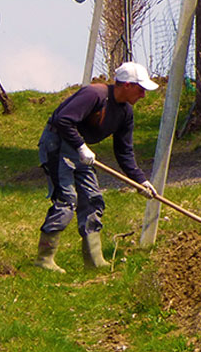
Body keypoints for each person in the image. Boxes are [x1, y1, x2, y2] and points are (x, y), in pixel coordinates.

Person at [35, 61, 158, 273]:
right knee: (67, 200)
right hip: (56, 143)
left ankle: (94, 261)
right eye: (140, 89)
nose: (143, 95)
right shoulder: (95, 94)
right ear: (127, 85)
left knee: (93, 200)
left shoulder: (125, 113)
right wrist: (81, 146)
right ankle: (44, 259)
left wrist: (141, 181)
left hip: (79, 150)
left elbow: (124, 151)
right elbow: (62, 119)